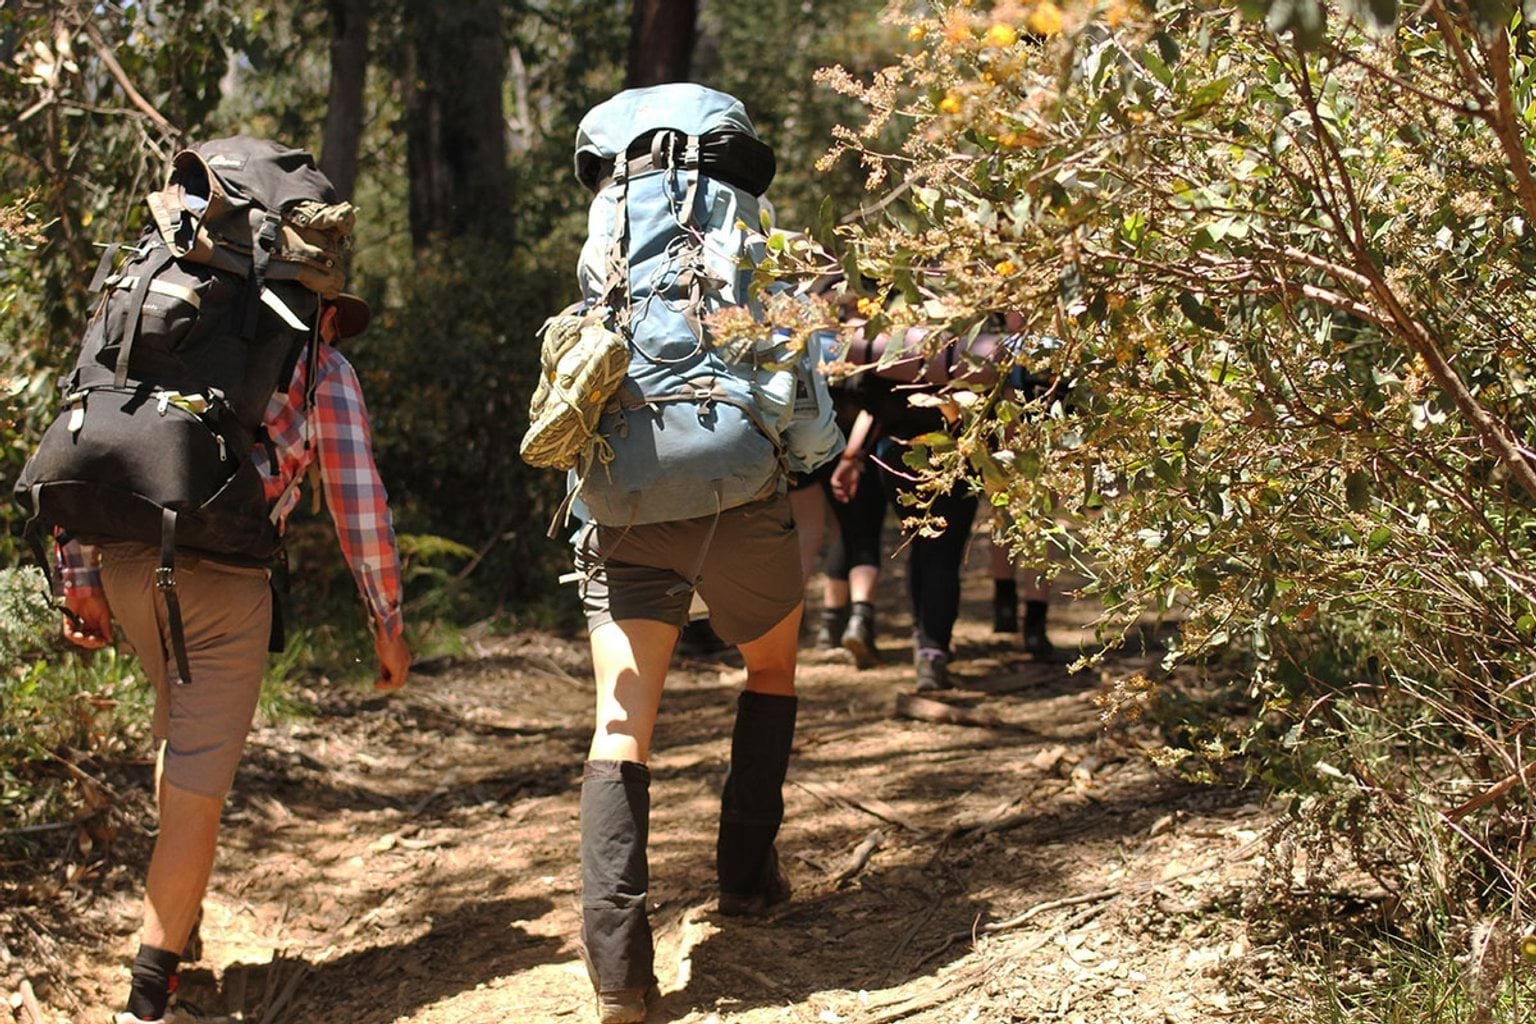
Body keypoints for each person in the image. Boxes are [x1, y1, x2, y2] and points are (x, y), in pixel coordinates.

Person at [57, 294, 412, 1024]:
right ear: (322, 304)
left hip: (125, 561)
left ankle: (178, 922)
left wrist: (79, 574)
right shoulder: (319, 362)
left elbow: (85, 425)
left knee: (180, 728)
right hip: (222, 582)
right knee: (198, 788)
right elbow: (357, 499)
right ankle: (149, 1001)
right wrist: (386, 620)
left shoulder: (153, 329)